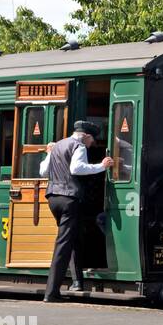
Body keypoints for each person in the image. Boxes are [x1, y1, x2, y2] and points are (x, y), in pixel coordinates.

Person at [40, 121, 113, 302]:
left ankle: (77, 281)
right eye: (92, 141)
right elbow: (76, 168)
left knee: (71, 239)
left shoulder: (57, 145)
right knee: (63, 245)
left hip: (53, 198)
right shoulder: (79, 145)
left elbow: (43, 171)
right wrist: (101, 166)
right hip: (69, 199)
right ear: (86, 136)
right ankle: (51, 293)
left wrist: (50, 153)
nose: (91, 145)